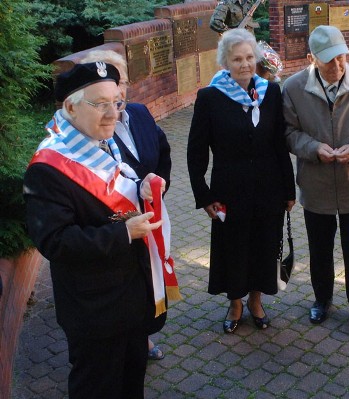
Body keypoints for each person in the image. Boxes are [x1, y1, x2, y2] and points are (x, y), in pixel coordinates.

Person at [23, 62, 167, 398]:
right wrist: (124, 234)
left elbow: (118, 192)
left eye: (116, 102)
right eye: (99, 104)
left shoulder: (102, 145)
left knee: (132, 383)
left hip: (131, 298)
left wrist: (141, 185)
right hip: (95, 311)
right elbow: (55, 242)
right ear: (70, 107)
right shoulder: (47, 168)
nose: (112, 114)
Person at [282, 25, 349, 334]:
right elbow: (287, 132)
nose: (338, 66)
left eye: (342, 57)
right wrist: (314, 148)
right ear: (311, 58)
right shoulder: (292, 88)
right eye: (329, 60)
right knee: (319, 248)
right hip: (316, 186)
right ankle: (322, 300)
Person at [187, 28, 296, 334]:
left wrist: (289, 189)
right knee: (233, 248)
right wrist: (203, 195)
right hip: (228, 189)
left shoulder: (270, 92)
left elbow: (279, 144)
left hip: (269, 187)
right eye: (237, 59)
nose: (245, 64)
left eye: (249, 57)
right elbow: (196, 150)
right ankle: (236, 304)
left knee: (265, 245)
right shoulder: (210, 97)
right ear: (225, 62)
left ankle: (256, 301)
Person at [80, 49, 172, 361]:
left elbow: (162, 154)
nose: (119, 89)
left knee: (147, 279)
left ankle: (142, 335)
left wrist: (157, 191)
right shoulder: (85, 132)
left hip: (148, 219)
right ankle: (129, 340)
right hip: (112, 232)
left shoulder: (141, 113)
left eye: (123, 81)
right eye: (110, 81)